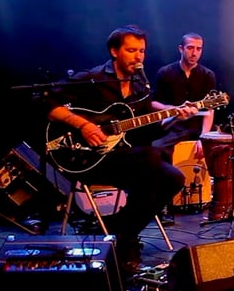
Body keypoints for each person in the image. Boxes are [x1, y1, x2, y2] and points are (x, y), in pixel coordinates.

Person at [39, 25, 189, 276]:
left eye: (142, 51)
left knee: (174, 178)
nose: (138, 56)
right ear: (114, 51)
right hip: (85, 157)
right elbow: (45, 102)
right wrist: (84, 125)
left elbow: (147, 132)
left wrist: (175, 116)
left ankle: (119, 228)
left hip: (123, 158)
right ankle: (126, 242)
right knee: (151, 158)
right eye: (131, 50)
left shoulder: (140, 87)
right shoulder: (92, 79)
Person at [150, 32, 218, 163]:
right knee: (155, 148)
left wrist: (204, 137)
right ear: (181, 49)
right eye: (190, 48)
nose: (194, 53)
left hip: (198, 125)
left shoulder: (208, 75)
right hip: (174, 125)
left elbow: (210, 110)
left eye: (198, 49)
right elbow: (153, 103)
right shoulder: (165, 72)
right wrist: (174, 109)